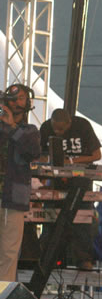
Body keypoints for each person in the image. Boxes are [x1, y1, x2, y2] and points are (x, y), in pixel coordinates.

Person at [39, 108, 102, 269]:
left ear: (69, 123)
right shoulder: (45, 128)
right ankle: (49, 258)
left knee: (81, 219)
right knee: (51, 218)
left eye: (61, 128)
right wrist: (51, 161)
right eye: (55, 128)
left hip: (80, 180)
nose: (57, 132)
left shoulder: (82, 125)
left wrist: (71, 161)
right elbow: (39, 154)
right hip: (56, 181)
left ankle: (83, 259)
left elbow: (96, 155)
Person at [0, 84, 41, 281]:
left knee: (9, 251)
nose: (16, 102)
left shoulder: (30, 131)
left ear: (28, 102)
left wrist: (11, 127)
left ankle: (3, 298)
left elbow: (32, 153)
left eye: (21, 98)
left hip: (13, 199)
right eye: (13, 98)